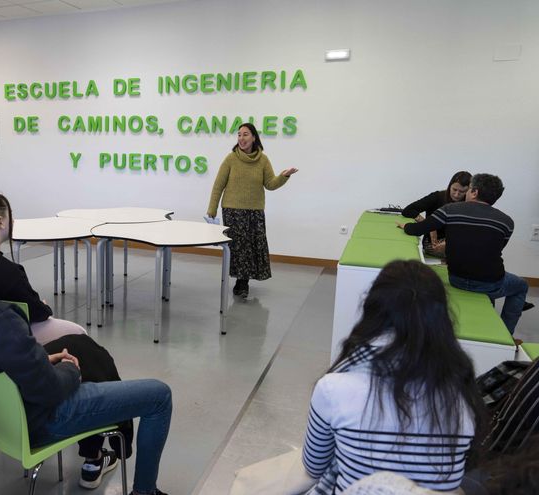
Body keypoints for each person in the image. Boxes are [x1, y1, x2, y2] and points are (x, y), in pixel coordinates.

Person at [0, 196, 172, 495]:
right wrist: (68, 369)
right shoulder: (0, 320)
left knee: (77, 345)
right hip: (44, 418)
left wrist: (42, 358)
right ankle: (144, 491)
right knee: (158, 396)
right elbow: (51, 390)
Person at [302, 260, 486, 494]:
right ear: (441, 318)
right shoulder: (462, 390)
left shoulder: (334, 388)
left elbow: (313, 466)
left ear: (372, 308)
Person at [400, 173, 531, 333]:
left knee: (511, 283)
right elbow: (494, 250)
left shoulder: (449, 210)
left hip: (456, 279)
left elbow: (416, 230)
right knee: (522, 285)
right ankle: (505, 333)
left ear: (474, 192)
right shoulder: (507, 222)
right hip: (490, 283)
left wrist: (405, 227)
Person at [0, 193, 88, 344]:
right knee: (79, 334)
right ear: (0, 222)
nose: (13, 220)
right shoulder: (9, 273)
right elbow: (37, 313)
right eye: (10, 215)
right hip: (9, 337)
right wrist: (44, 307)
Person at [206, 123, 297, 299]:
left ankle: (243, 281)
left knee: (252, 247)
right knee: (239, 248)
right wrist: (212, 208)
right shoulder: (231, 159)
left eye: (245, 134)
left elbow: (270, 184)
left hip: (255, 211)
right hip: (233, 211)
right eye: (239, 135)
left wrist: (284, 176)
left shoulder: (263, 160)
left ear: (254, 137)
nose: (241, 138)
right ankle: (242, 282)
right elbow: (218, 185)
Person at [401, 171, 471, 257]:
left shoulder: (470, 204)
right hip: (434, 243)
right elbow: (408, 210)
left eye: (462, 191)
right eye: (454, 189)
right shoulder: (437, 197)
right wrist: (430, 227)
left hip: (456, 241)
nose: (457, 194)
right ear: (450, 186)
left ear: (469, 191)